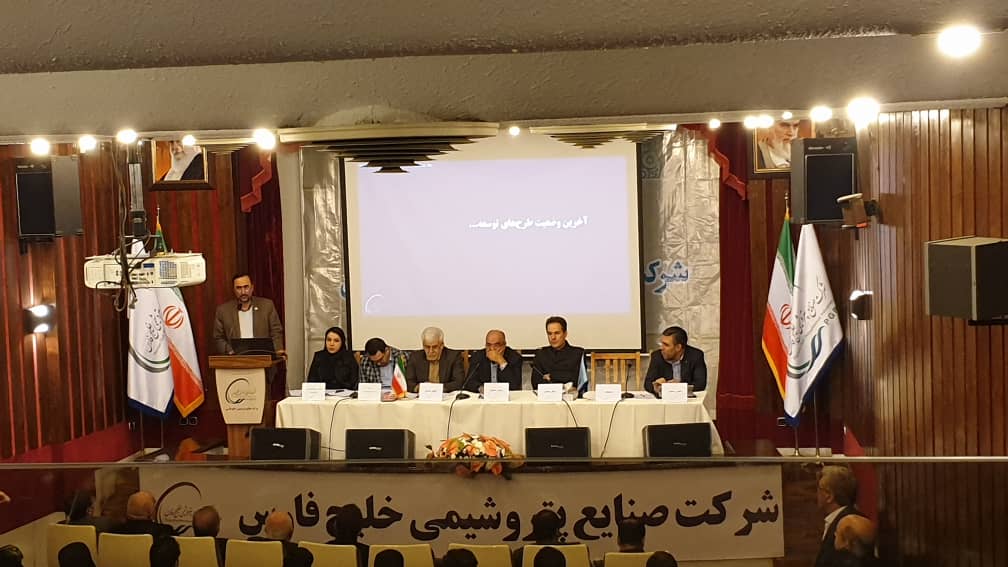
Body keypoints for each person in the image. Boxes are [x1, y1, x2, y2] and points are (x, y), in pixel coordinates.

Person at [213, 273, 285, 357]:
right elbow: (218, 337)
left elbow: (276, 332)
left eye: (246, 287)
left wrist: (276, 352)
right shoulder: (223, 311)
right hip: (236, 359)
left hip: (263, 358)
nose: (243, 292)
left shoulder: (266, 306)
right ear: (234, 290)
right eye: (239, 288)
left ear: (252, 288)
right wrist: (230, 350)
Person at [815, 466, 864, 567]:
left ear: (829, 496)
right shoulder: (837, 519)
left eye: (819, 489)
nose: (816, 493)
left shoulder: (850, 524)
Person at [644, 326, 707, 397]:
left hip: (687, 399)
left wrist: (679, 386)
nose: (661, 348)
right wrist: (656, 387)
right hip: (664, 399)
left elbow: (700, 384)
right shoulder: (657, 356)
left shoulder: (695, 356)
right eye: (661, 344)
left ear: (678, 347)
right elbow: (647, 383)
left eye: (666, 345)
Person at [406, 327, 465, 393]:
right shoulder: (415, 357)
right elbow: (408, 382)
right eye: (427, 347)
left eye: (434, 347)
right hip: (422, 397)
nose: (431, 351)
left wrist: (436, 389)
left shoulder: (453, 356)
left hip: (445, 396)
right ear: (423, 345)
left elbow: (459, 383)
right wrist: (418, 388)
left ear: (441, 346)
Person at [531, 317, 585, 389]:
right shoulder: (540, 354)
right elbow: (536, 383)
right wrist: (563, 379)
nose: (553, 337)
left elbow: (576, 381)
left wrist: (552, 376)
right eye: (549, 334)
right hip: (546, 394)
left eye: (557, 333)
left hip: (570, 395)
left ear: (565, 334)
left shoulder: (578, 354)